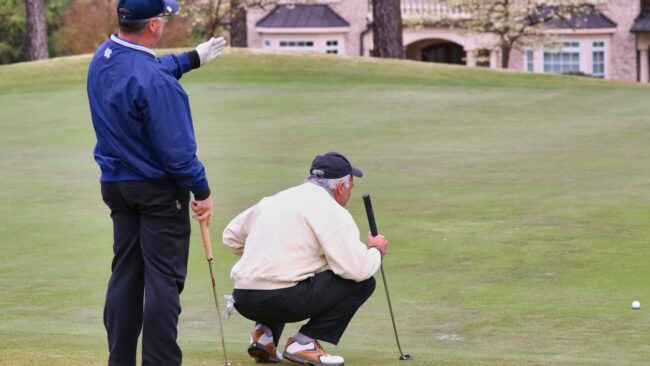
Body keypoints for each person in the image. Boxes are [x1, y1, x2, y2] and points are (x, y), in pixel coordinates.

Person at [86, 0, 227, 364]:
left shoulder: (103, 56)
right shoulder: (158, 84)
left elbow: (146, 70)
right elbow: (179, 156)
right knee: (163, 281)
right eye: (164, 17)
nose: (165, 23)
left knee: (126, 275)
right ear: (152, 25)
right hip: (158, 191)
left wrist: (191, 58)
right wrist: (203, 191)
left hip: (117, 186)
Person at [222, 152, 389, 366]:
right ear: (341, 187)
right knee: (364, 283)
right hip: (282, 300)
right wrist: (376, 250)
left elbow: (231, 236)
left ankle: (264, 336)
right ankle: (304, 343)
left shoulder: (276, 199)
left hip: (243, 299)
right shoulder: (332, 211)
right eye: (351, 188)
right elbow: (358, 269)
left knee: (286, 273)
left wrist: (265, 251)